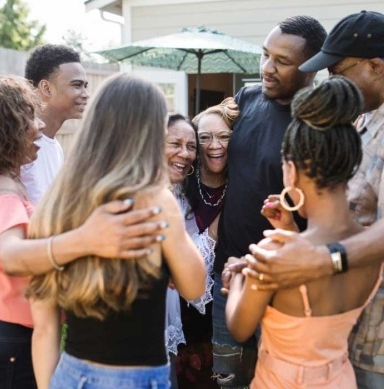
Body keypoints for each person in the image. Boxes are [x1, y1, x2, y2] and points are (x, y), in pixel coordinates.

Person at [243, 11, 384, 389]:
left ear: (376, 66)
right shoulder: (369, 117)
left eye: (337, 72)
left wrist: (320, 260)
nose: (332, 81)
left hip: (379, 325)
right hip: (342, 322)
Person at [0, 75, 165, 388]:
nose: (40, 126)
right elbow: (13, 256)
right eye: (29, 118)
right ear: (1, 130)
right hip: (9, 341)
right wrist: (86, 238)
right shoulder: (2, 192)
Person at [26, 73, 207, 389]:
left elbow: (44, 329)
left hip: (72, 373)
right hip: (136, 378)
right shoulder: (155, 201)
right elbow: (194, 287)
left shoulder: (56, 203)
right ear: (149, 133)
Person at [226, 76, 383, 388]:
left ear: (292, 169)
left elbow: (239, 327)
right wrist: (290, 230)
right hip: (339, 378)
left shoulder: (274, 255)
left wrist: (239, 278)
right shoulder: (370, 246)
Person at [211, 16, 327, 388]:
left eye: (282, 61)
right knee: (224, 377)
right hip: (228, 271)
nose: (266, 67)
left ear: (312, 68)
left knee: (272, 379)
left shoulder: (320, 123)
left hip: (282, 281)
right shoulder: (247, 98)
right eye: (265, 55)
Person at [177, 98, 239, 387]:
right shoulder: (181, 183)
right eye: (205, 138)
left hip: (225, 306)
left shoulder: (243, 185)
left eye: (224, 136)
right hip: (179, 307)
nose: (215, 145)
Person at [21, 44, 89, 204]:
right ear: (46, 88)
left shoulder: (55, 147)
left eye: (85, 86)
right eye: (77, 85)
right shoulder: (20, 148)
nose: (86, 94)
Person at [164, 112, 199, 388]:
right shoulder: (136, 191)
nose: (185, 154)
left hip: (170, 308)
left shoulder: (182, 195)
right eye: (175, 143)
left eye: (191, 147)